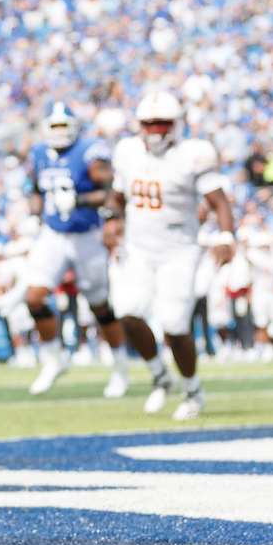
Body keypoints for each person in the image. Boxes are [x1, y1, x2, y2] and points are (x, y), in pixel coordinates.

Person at [103, 91, 236, 420]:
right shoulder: (128, 151)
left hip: (179, 251)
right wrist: (111, 220)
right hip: (137, 248)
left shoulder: (192, 154)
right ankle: (160, 375)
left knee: (175, 325)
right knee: (127, 313)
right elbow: (117, 198)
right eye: (149, 123)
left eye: (162, 123)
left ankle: (193, 390)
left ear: (176, 125)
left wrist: (225, 236)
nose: (155, 130)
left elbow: (219, 202)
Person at [24, 101, 130, 397]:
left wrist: (80, 201)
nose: (59, 132)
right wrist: (34, 215)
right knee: (34, 298)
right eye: (54, 126)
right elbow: (35, 189)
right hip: (53, 234)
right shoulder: (39, 152)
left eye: (63, 126)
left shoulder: (89, 151)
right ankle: (54, 359)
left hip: (87, 235)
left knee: (99, 306)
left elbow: (110, 192)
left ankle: (120, 367)